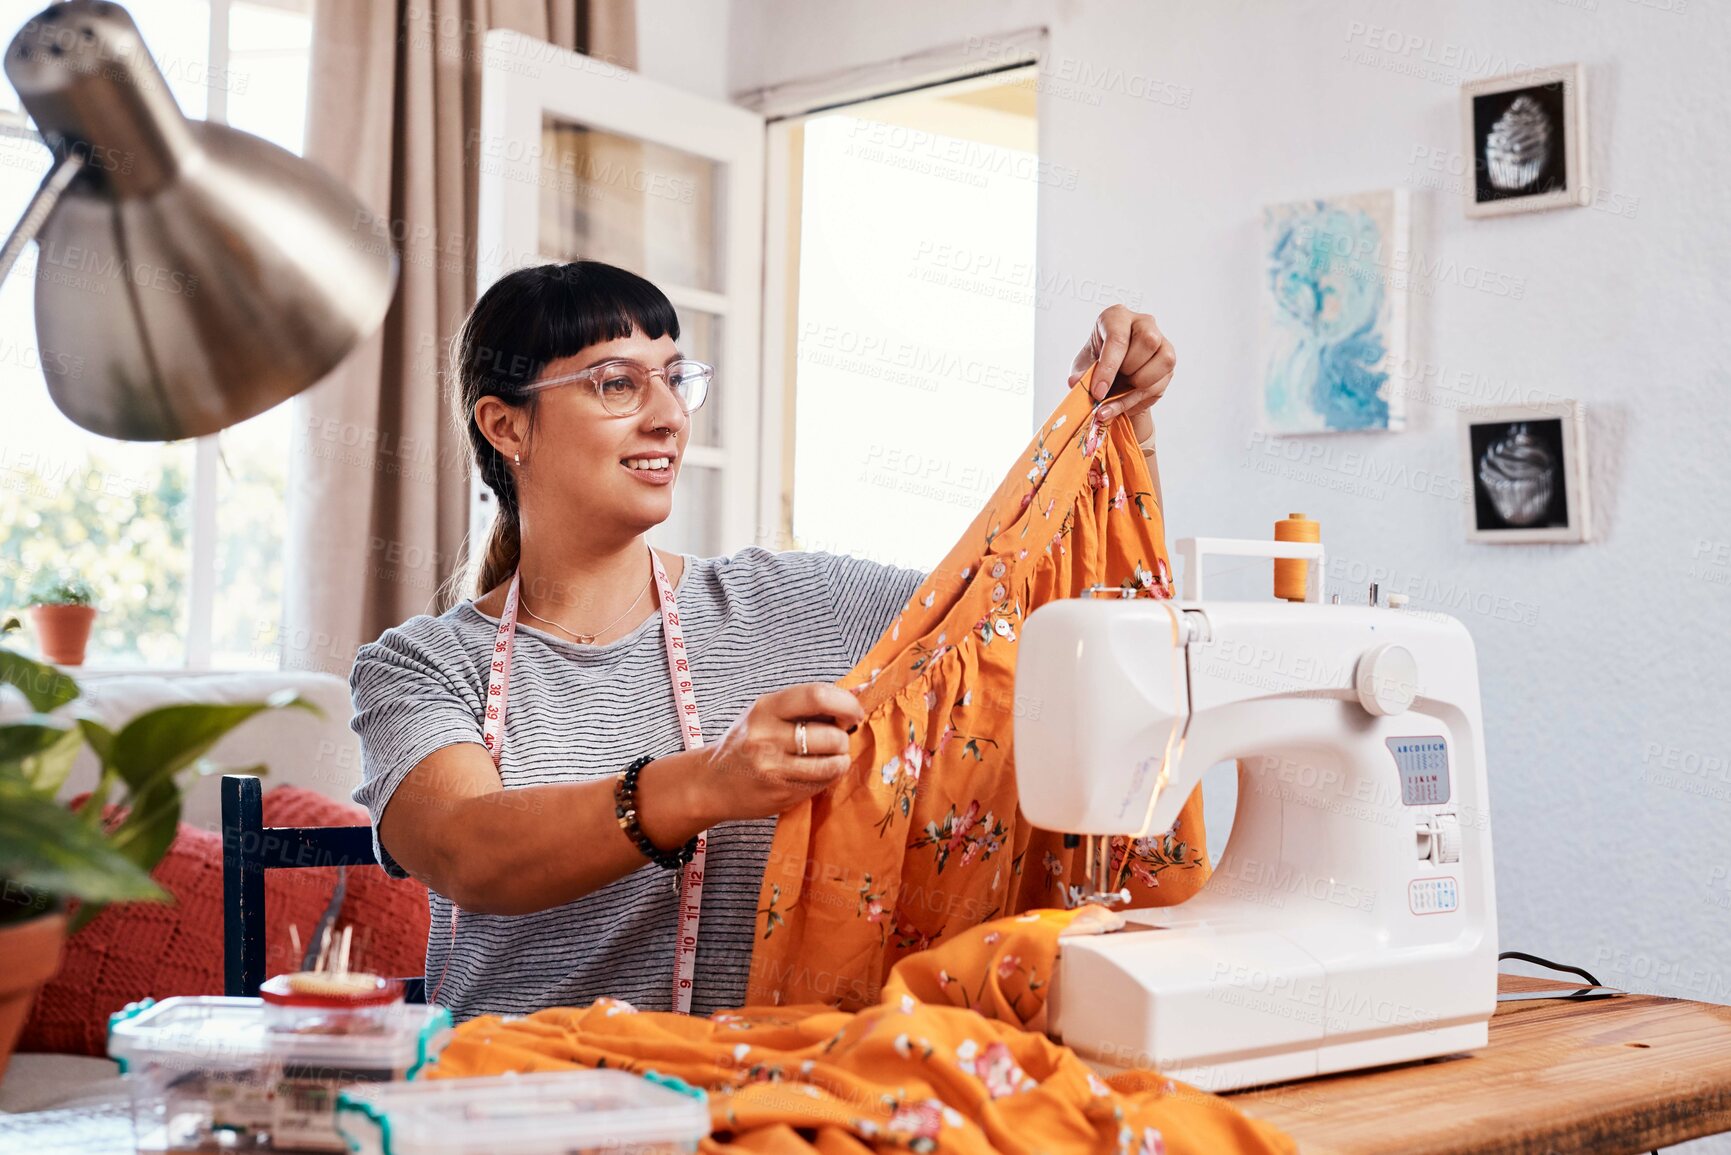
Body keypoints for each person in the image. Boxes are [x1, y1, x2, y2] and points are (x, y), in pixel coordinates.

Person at [349, 260, 1177, 1021]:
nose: (669, 415)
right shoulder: (419, 665)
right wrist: (711, 782)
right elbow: (467, 848)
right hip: (522, 1103)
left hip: (761, 1106)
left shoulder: (801, 604)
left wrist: (1115, 432)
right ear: (506, 426)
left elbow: (1042, 621)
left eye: (675, 380)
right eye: (616, 384)